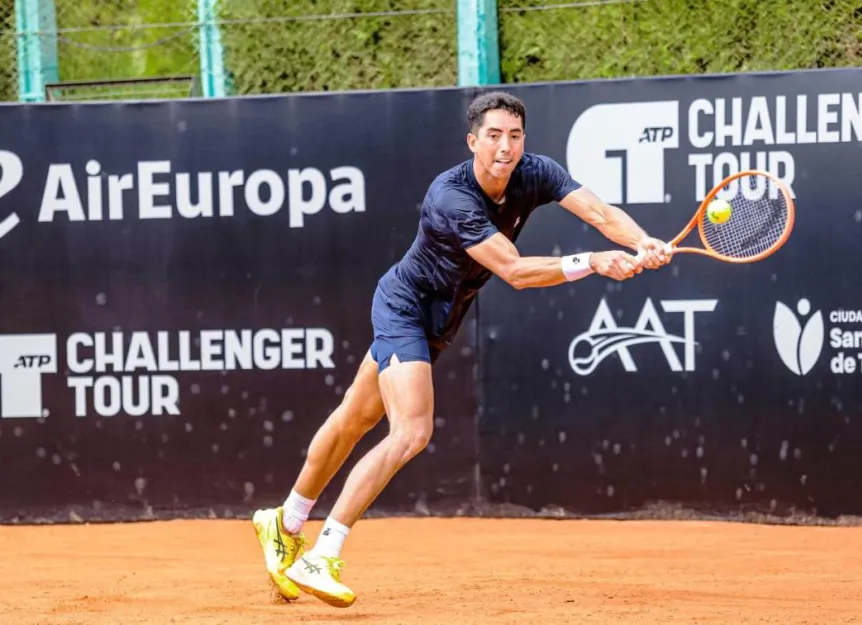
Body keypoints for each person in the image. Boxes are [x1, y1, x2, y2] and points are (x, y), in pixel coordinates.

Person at [251, 91, 673, 607]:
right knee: (411, 431)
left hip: (440, 319)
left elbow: (602, 213)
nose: (505, 147)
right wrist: (594, 262)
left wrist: (642, 242)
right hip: (404, 306)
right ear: (473, 140)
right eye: (493, 136)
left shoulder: (536, 172)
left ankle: (284, 520)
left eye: (514, 136)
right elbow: (515, 271)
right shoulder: (451, 196)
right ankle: (325, 550)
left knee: (354, 419)